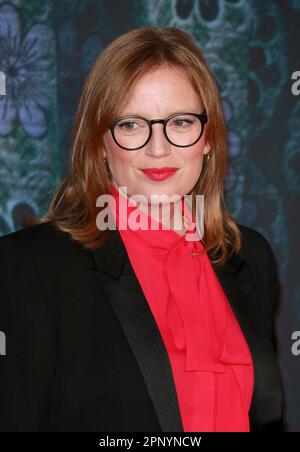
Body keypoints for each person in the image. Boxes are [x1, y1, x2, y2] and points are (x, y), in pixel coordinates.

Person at [0, 26, 283, 432]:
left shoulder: (248, 256)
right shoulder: (31, 266)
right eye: (131, 124)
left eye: (181, 122)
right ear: (100, 142)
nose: (158, 148)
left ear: (209, 137)